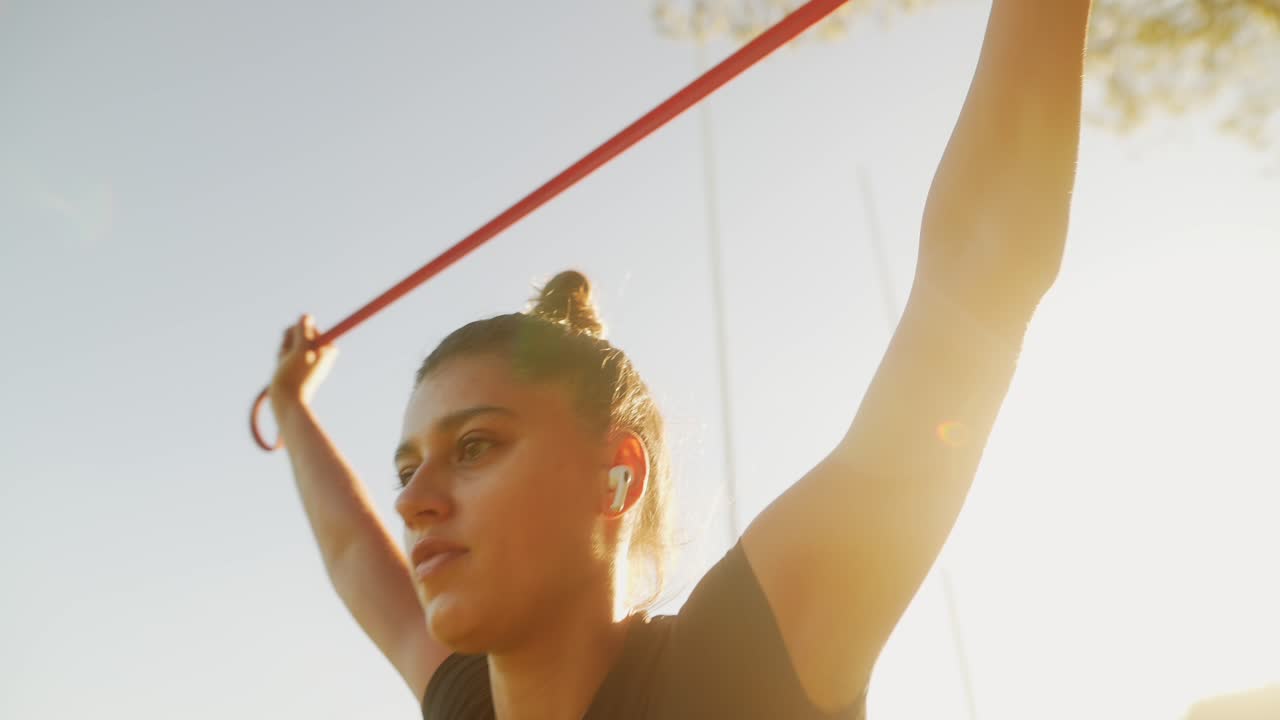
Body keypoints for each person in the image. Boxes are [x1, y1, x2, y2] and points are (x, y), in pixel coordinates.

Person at [267, 1, 1092, 717]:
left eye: (474, 446)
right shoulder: (464, 703)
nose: (413, 502)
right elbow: (350, 553)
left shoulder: (733, 670)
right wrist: (295, 409)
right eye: (408, 468)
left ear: (616, 475)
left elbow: (982, 269)